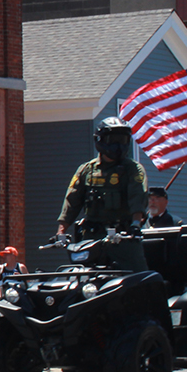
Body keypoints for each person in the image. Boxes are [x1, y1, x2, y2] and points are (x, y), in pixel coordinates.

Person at [57, 116, 149, 272]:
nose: (118, 145)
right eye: (114, 139)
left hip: (124, 238)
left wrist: (135, 225)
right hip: (91, 238)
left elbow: (138, 197)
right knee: (81, 279)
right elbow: (72, 201)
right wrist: (61, 232)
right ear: (100, 140)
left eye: (123, 139)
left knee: (141, 279)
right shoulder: (87, 170)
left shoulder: (133, 169)